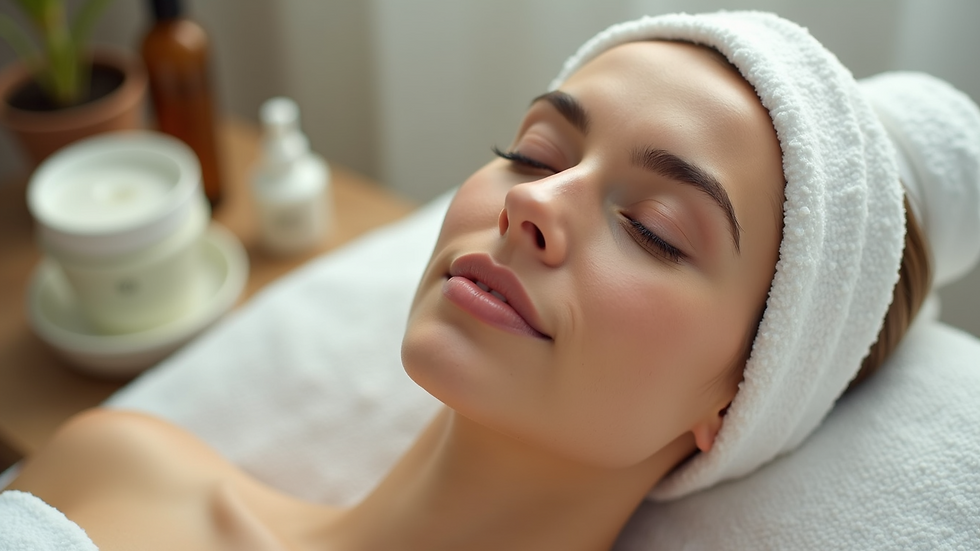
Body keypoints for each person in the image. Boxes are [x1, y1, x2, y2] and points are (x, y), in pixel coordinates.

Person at [4, 11, 978, 551]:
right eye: (532, 151)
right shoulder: (117, 469)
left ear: (740, 395)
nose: (533, 205)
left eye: (651, 228)